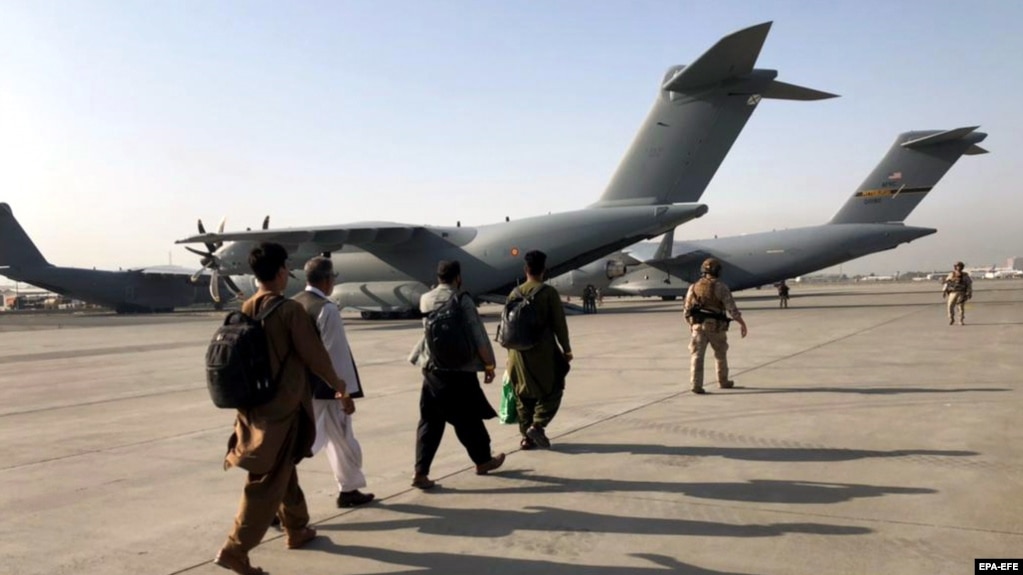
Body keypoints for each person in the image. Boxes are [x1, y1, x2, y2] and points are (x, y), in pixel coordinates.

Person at [215, 243, 354, 575]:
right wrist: (339, 386)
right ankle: (236, 550)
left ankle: (297, 527)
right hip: (282, 408)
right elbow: (315, 355)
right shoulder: (289, 311)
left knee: (283, 466)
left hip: (253, 407)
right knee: (267, 480)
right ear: (280, 273)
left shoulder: (246, 308)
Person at [408, 260, 505, 489]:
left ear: (439, 277)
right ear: (458, 277)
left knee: (430, 422)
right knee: (468, 418)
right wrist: (489, 365)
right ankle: (483, 461)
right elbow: (478, 335)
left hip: (433, 371)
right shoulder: (463, 300)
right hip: (460, 371)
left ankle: (420, 473)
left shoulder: (426, 299)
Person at [293, 256, 374, 509]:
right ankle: (277, 493)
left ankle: (349, 488)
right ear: (328, 280)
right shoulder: (326, 309)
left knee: (328, 440)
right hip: (327, 389)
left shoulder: (293, 305)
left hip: (300, 386)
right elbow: (334, 353)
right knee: (334, 440)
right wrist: (344, 391)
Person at [506, 250, 573, 450]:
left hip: (516, 353)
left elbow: (507, 327)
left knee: (523, 396)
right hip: (542, 352)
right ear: (544, 270)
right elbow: (559, 324)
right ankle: (537, 425)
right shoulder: (548, 293)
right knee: (553, 389)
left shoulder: (513, 293)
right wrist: (566, 350)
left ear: (525, 269)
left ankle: (526, 437)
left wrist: (509, 357)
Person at [683, 258, 748, 394]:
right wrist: (742, 323)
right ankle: (723, 381)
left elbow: (686, 310)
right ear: (718, 271)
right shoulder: (721, 287)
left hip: (698, 327)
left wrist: (691, 325)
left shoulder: (693, 287)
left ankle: (696, 384)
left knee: (697, 356)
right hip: (715, 327)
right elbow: (732, 309)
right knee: (720, 354)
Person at [942, 261, 973, 325]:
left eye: (960, 266)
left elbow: (969, 285)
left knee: (960, 307)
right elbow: (947, 283)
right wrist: (944, 291)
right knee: (950, 306)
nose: (958, 267)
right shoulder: (951, 274)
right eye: (957, 266)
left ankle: (961, 320)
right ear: (955, 267)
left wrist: (969, 293)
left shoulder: (965, 276)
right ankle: (951, 318)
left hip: (961, 292)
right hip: (953, 292)